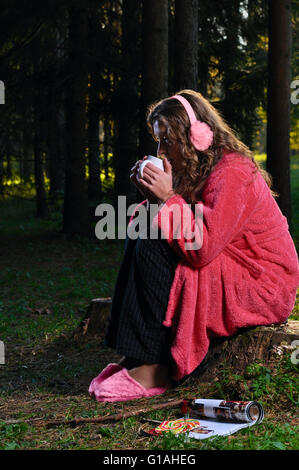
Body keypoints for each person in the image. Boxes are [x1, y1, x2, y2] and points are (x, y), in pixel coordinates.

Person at [89, 89, 299, 402]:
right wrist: (155, 199)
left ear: (196, 136)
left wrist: (166, 199)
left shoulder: (234, 170)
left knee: (154, 234)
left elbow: (202, 248)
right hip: (231, 263)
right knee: (146, 224)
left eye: (167, 141)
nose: (160, 151)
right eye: (158, 141)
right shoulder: (196, 169)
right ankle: (136, 357)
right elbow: (185, 224)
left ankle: (155, 368)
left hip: (263, 282)